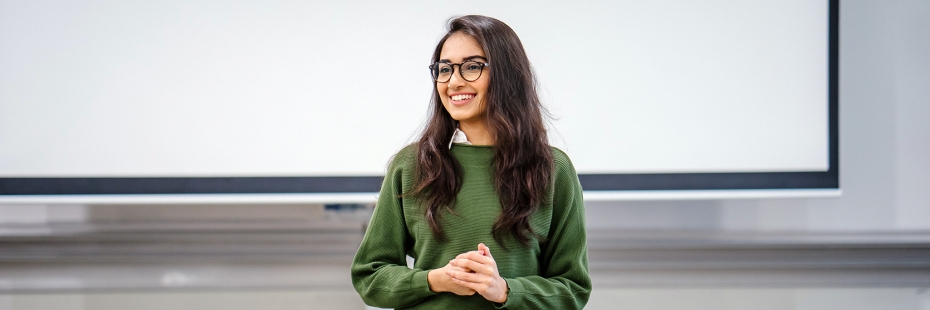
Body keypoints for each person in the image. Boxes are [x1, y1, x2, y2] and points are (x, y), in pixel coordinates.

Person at [351, 15, 591, 309]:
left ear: (507, 74)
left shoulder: (553, 169)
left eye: (472, 67)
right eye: (445, 69)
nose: (453, 81)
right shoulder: (411, 165)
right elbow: (370, 276)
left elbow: (572, 289)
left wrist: (504, 290)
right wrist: (435, 280)